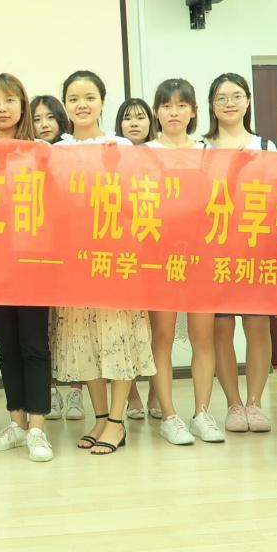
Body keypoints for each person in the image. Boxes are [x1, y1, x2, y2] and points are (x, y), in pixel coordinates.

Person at [50, 70, 154, 455]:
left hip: (115, 259)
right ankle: (99, 416)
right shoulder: (55, 151)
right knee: (85, 340)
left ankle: (116, 421)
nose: (82, 105)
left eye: (90, 97)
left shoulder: (120, 146)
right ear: (65, 105)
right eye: (74, 98)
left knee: (116, 337)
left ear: (102, 103)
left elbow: (139, 199)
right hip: (74, 261)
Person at [0, 73, 54, 461]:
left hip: (33, 261)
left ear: (23, 106)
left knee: (34, 345)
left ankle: (38, 429)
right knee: (6, 346)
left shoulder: (41, 151)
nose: (1, 108)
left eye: (9, 100)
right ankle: (17, 422)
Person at [204, 73, 277, 434]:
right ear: (211, 105)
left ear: (248, 101)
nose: (229, 103)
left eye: (236, 96)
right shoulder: (200, 147)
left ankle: (255, 403)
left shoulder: (265, 145)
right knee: (220, 329)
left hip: (255, 247)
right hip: (214, 248)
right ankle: (233, 404)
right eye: (221, 98)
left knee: (257, 326)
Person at [146, 78, 216, 445]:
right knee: (163, 336)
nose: (174, 112)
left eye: (181, 105)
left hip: (201, 253)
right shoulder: (144, 153)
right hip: (160, 255)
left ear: (193, 111)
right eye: (166, 105)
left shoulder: (209, 151)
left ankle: (203, 413)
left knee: (203, 336)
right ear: (156, 112)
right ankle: (169, 415)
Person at [31, 94, 84, 422]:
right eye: (37, 119)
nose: (44, 124)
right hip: (37, 251)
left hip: (71, 248)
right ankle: (48, 389)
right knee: (43, 325)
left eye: (50, 117)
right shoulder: (24, 152)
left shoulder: (76, 150)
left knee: (73, 322)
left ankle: (77, 390)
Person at [114, 97, 158, 421]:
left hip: (158, 251)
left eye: (140, 117)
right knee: (126, 327)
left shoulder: (161, 155)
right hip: (123, 252)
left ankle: (157, 392)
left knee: (158, 329)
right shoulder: (111, 156)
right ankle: (131, 395)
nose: (133, 123)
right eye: (127, 118)